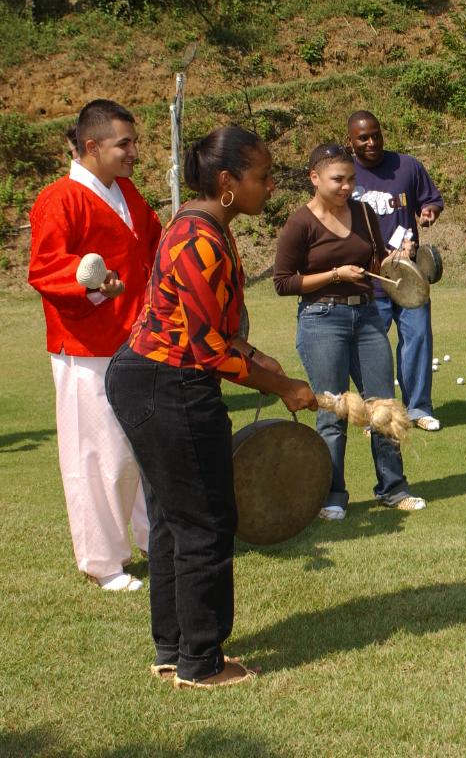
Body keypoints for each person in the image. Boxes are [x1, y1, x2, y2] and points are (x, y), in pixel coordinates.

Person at [104, 125, 318, 686]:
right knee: (205, 521)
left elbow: (215, 330)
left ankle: (173, 648)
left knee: (175, 521)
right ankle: (201, 663)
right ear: (227, 182)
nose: (270, 186)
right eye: (262, 176)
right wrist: (284, 388)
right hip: (168, 384)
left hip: (151, 377)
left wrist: (258, 356)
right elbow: (206, 349)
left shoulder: (199, 227)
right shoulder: (199, 240)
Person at [28, 99, 163, 591]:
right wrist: (90, 283)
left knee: (140, 446)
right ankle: (102, 562)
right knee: (98, 454)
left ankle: (154, 537)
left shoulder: (125, 190)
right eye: (123, 144)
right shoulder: (58, 199)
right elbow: (45, 268)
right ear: (92, 146)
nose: (133, 153)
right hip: (85, 345)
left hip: (135, 335)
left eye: (133, 143)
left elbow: (153, 241)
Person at [273, 143, 426, 520]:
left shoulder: (364, 212)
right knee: (332, 411)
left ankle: (393, 489)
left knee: (384, 408)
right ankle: (332, 496)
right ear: (315, 178)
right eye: (338, 179)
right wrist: (335, 275)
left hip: (368, 317)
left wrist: (396, 261)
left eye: (351, 179)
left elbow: (374, 260)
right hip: (322, 319)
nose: (346, 187)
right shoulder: (300, 223)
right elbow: (283, 282)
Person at [347, 111, 445, 432]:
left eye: (376, 134)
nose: (372, 142)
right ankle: (377, 411)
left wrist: (428, 212)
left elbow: (429, 201)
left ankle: (418, 408)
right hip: (369, 279)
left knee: (417, 340)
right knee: (371, 346)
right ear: (351, 141)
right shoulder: (345, 176)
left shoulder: (407, 166)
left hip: (408, 277)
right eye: (364, 138)